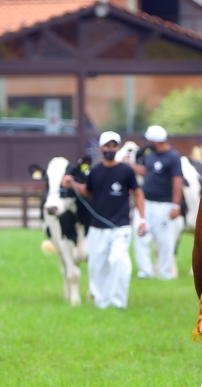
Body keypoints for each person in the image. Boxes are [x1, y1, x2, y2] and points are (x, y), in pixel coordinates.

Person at [62, 131, 146, 309]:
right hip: (98, 227)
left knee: (119, 261)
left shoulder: (126, 171)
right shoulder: (95, 171)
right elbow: (89, 191)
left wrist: (142, 219)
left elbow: (138, 193)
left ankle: (118, 302)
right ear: (101, 148)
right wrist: (73, 184)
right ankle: (101, 301)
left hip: (120, 226)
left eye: (114, 145)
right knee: (96, 265)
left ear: (117, 147)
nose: (110, 149)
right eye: (107, 146)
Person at [130, 125, 183, 280]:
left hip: (164, 204)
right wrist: (131, 166)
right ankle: (145, 271)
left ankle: (165, 273)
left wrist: (175, 205)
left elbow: (177, 181)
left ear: (155, 141)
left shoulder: (173, 157)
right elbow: (148, 172)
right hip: (146, 202)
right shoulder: (151, 154)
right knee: (141, 235)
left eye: (150, 140)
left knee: (165, 240)